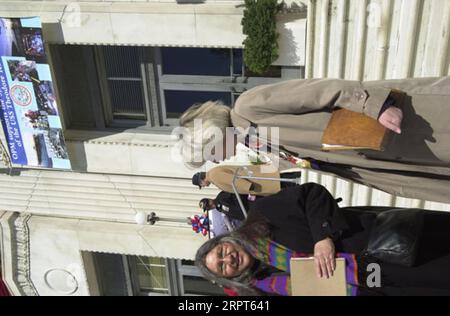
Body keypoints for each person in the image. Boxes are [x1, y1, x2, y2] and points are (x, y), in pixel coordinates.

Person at [180, 77, 450, 203]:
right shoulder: (251, 143)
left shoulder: (248, 106)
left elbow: (321, 90)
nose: (215, 160)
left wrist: (373, 105)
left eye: (209, 152)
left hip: (385, 126)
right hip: (376, 159)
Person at [195, 183, 450, 296]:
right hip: (378, 284)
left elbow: (311, 194)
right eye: (222, 266)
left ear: (223, 241)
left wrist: (322, 237)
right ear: (226, 277)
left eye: (221, 252)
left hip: (383, 245)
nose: (228, 259)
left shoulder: (261, 217)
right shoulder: (262, 287)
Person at [192, 165, 301, 196]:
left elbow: (233, 180)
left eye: (202, 185)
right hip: (259, 177)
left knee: (293, 182)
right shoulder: (213, 173)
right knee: (289, 179)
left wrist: (247, 187)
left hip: (259, 181)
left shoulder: (214, 176)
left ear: (201, 181)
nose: (205, 186)